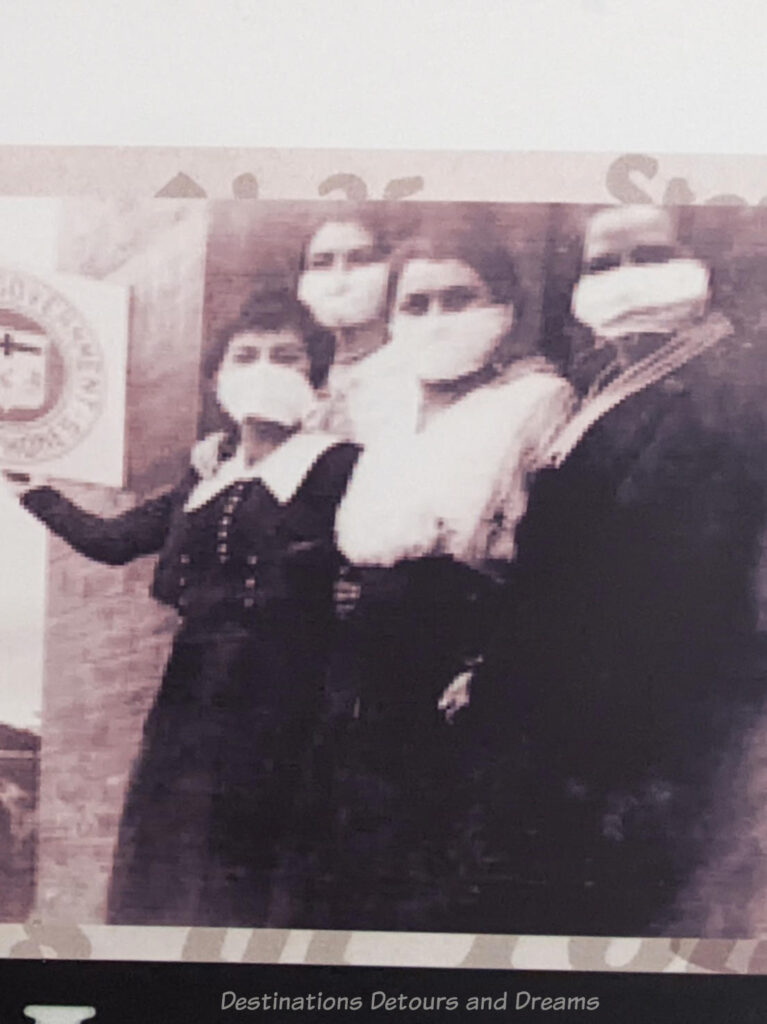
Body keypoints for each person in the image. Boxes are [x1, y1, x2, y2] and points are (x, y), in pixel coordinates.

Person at [3, 288, 360, 927]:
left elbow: (379, 557)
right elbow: (112, 542)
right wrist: (34, 489)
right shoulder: (206, 479)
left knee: (254, 856)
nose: (264, 370)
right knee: (174, 853)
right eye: (245, 356)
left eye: (287, 357)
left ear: (317, 376)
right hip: (191, 692)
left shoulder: (338, 466)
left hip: (286, 687)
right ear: (218, 377)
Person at [468, 205, 767, 936]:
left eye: (650, 254)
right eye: (602, 264)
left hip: (663, 722)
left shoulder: (731, 392)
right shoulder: (600, 383)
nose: (625, 279)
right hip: (574, 713)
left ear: (701, 266)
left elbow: (662, 573)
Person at [294, 220, 575, 932]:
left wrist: (487, 661)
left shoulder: (535, 400)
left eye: (459, 298)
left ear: (504, 306)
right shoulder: (381, 407)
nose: (435, 318)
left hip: (459, 650)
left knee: (438, 857)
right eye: (414, 304)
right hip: (363, 652)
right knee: (348, 849)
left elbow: (548, 556)